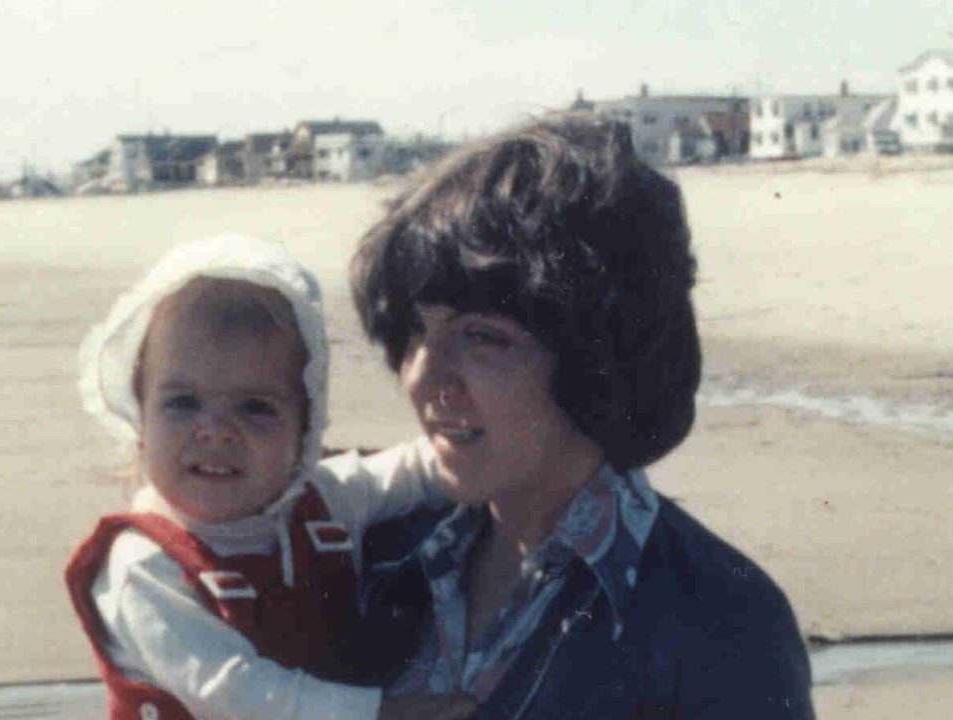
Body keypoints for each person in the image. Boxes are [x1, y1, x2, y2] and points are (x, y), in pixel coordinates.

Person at [347, 114, 815, 718]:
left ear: (594, 356)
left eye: (482, 336)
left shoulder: (720, 621)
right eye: (416, 330)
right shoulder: (372, 550)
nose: (421, 375)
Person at [64, 235, 475, 720]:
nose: (215, 431)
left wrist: (477, 447)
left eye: (255, 408)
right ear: (141, 416)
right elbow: (235, 692)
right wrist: (383, 713)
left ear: (304, 430)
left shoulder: (323, 501)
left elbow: (416, 470)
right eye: (182, 402)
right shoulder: (145, 562)